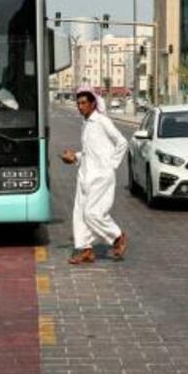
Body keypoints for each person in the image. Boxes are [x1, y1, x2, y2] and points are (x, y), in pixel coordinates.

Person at [61, 87, 128, 264]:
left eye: (83, 103)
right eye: (78, 103)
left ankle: (118, 237)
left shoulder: (101, 121)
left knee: (92, 213)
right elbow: (91, 152)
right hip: (85, 175)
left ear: (93, 104)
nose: (80, 107)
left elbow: (122, 142)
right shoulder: (86, 123)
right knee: (80, 213)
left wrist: (111, 165)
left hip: (101, 176)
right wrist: (74, 156)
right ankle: (86, 250)